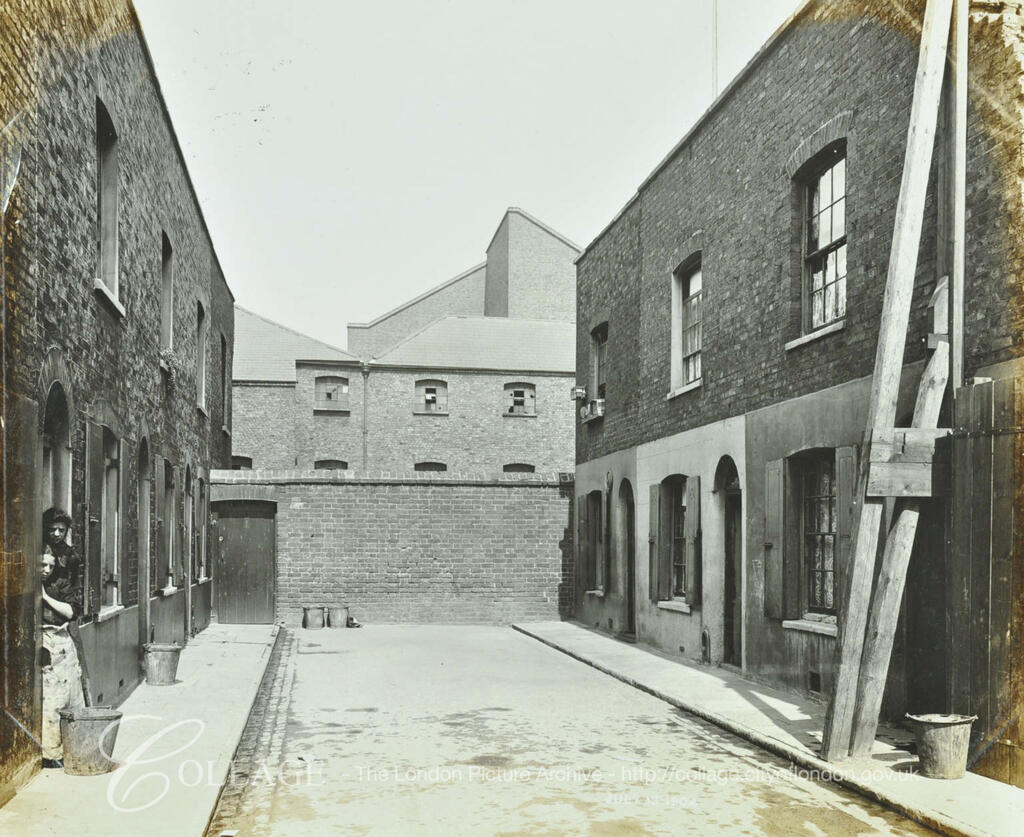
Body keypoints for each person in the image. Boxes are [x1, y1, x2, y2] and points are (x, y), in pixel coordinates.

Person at [40, 549, 85, 768]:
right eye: (43, 565)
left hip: (62, 642)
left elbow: (72, 612)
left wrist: (46, 598)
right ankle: (51, 753)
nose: (47, 570)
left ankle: (73, 746)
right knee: (50, 702)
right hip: (43, 643)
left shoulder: (60, 584)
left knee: (70, 697)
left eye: (51, 566)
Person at [42, 507, 79, 586]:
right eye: (52, 529)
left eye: (61, 530)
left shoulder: (70, 554)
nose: (57, 534)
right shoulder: (38, 547)